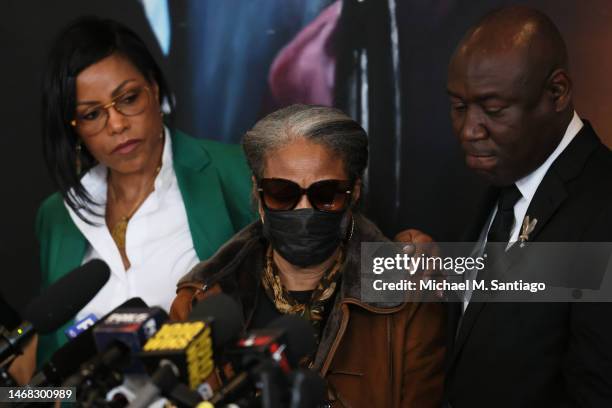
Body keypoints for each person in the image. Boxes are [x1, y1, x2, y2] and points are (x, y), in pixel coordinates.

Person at [170, 104, 446, 407]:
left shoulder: (410, 296)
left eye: (325, 194)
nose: (304, 209)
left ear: (353, 192)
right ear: (259, 195)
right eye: (282, 193)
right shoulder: (200, 298)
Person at [36, 17, 254, 362]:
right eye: (92, 114)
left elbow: (366, 250)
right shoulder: (57, 216)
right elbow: (50, 366)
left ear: (153, 89)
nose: (117, 124)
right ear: (73, 129)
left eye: (128, 98)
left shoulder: (237, 170)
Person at [444, 6, 612, 407]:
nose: (469, 130)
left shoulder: (603, 206)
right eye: (459, 106)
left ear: (557, 93)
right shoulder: (493, 178)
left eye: (494, 109)